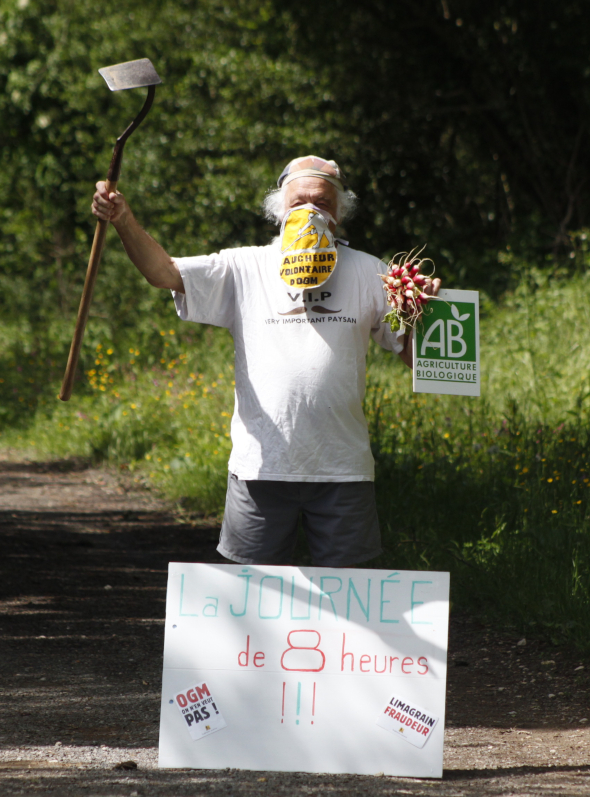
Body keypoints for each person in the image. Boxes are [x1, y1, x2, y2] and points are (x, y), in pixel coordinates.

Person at [90, 155, 411, 567]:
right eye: (299, 202)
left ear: (340, 211)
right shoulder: (245, 266)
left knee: (348, 591)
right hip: (260, 468)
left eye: (323, 203)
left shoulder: (371, 272)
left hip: (342, 468)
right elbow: (164, 272)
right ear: (279, 209)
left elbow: (414, 356)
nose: (311, 211)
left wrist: (425, 314)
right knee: (252, 591)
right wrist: (123, 219)